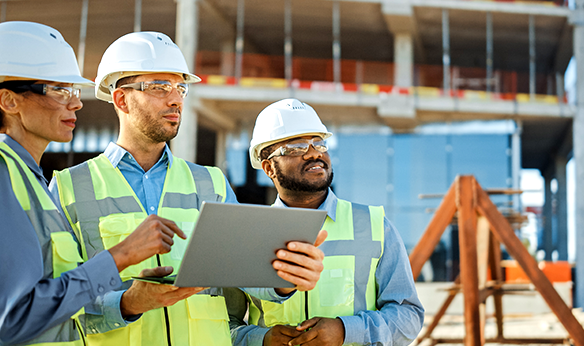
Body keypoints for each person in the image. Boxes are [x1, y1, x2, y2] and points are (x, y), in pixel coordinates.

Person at [50, 32, 325, 346]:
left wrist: (284, 279)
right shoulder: (69, 188)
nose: (176, 99)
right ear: (122, 99)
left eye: (180, 87)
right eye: (159, 87)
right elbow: (54, 304)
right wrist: (127, 303)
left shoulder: (212, 183)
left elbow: (245, 278)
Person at [0, 22, 188, 345]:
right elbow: (13, 319)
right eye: (59, 90)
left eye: (73, 92)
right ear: (9, 101)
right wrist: (121, 256)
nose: (76, 104)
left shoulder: (29, 178)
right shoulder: (6, 173)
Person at [226, 98, 425, 346]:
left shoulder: (375, 226)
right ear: (268, 168)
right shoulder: (246, 237)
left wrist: (345, 331)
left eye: (319, 143)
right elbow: (225, 325)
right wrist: (261, 339)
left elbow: (408, 316)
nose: (314, 153)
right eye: (296, 147)